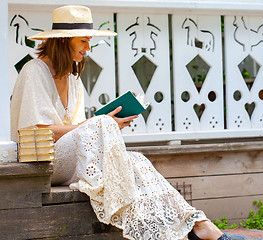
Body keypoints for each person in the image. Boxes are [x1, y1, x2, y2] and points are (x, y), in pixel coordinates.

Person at [10, 5, 232, 240]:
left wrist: (102, 125)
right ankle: (134, 209)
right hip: (43, 161)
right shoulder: (34, 71)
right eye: (83, 41)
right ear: (64, 41)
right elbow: (40, 132)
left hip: (71, 160)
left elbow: (78, 133)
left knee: (136, 160)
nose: (88, 48)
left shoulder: (72, 77)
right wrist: (101, 124)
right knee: (102, 125)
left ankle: (199, 223)